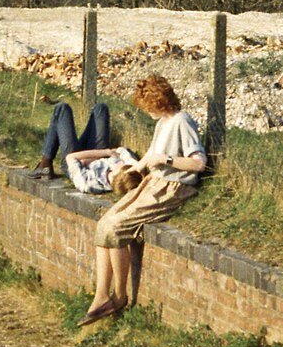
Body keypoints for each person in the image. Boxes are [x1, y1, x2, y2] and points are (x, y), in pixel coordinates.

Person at [77, 74, 207, 327]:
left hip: (173, 187)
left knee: (115, 228)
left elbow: (198, 163)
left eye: (148, 105)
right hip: (154, 183)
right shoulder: (164, 122)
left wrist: (166, 160)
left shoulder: (182, 121)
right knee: (105, 223)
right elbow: (151, 154)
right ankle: (102, 295)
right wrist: (135, 168)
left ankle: (119, 296)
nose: (146, 111)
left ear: (158, 101)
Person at [28, 101, 110, 179]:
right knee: (101, 107)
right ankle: (45, 164)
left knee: (62, 109)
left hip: (75, 164)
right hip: (96, 157)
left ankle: (44, 164)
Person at [63, 147, 143, 195]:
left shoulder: (88, 183)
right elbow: (123, 150)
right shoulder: (124, 170)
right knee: (101, 118)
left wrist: (106, 152)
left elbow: (70, 157)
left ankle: (49, 158)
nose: (121, 163)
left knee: (63, 119)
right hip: (94, 153)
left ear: (117, 173)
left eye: (121, 165)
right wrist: (112, 153)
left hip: (71, 163)